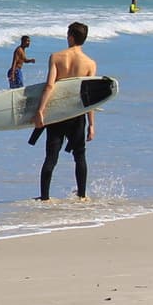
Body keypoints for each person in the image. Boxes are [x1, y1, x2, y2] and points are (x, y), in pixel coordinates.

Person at [30, 21, 97, 201]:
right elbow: (88, 98)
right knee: (79, 156)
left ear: (71, 36)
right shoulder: (90, 64)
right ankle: (82, 196)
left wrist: (40, 111)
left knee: (51, 157)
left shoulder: (56, 57)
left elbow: (50, 86)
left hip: (57, 113)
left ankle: (44, 198)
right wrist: (91, 125)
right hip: (76, 114)